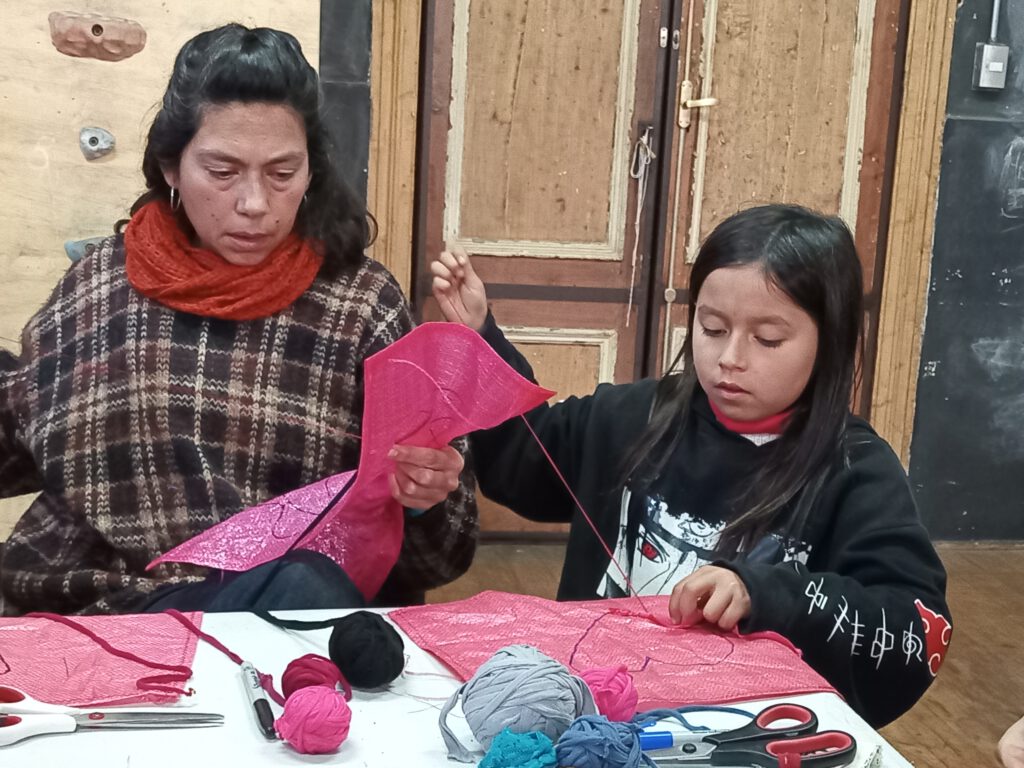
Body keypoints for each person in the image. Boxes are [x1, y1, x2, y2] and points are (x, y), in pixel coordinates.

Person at [0, 24, 476, 616]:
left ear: (311, 172)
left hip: (272, 612)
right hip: (100, 604)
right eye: (222, 171)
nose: (254, 204)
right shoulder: (100, 286)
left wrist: (424, 498)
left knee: (307, 589)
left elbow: (441, 556)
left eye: (282, 173)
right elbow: (14, 447)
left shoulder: (360, 306)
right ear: (171, 167)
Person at [431, 204, 951, 726]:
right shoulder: (632, 417)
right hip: (599, 720)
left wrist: (768, 593)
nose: (731, 358)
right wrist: (480, 337)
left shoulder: (855, 470)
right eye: (713, 328)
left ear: (829, 341)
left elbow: (914, 629)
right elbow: (526, 457)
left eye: (768, 339)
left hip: (745, 736)